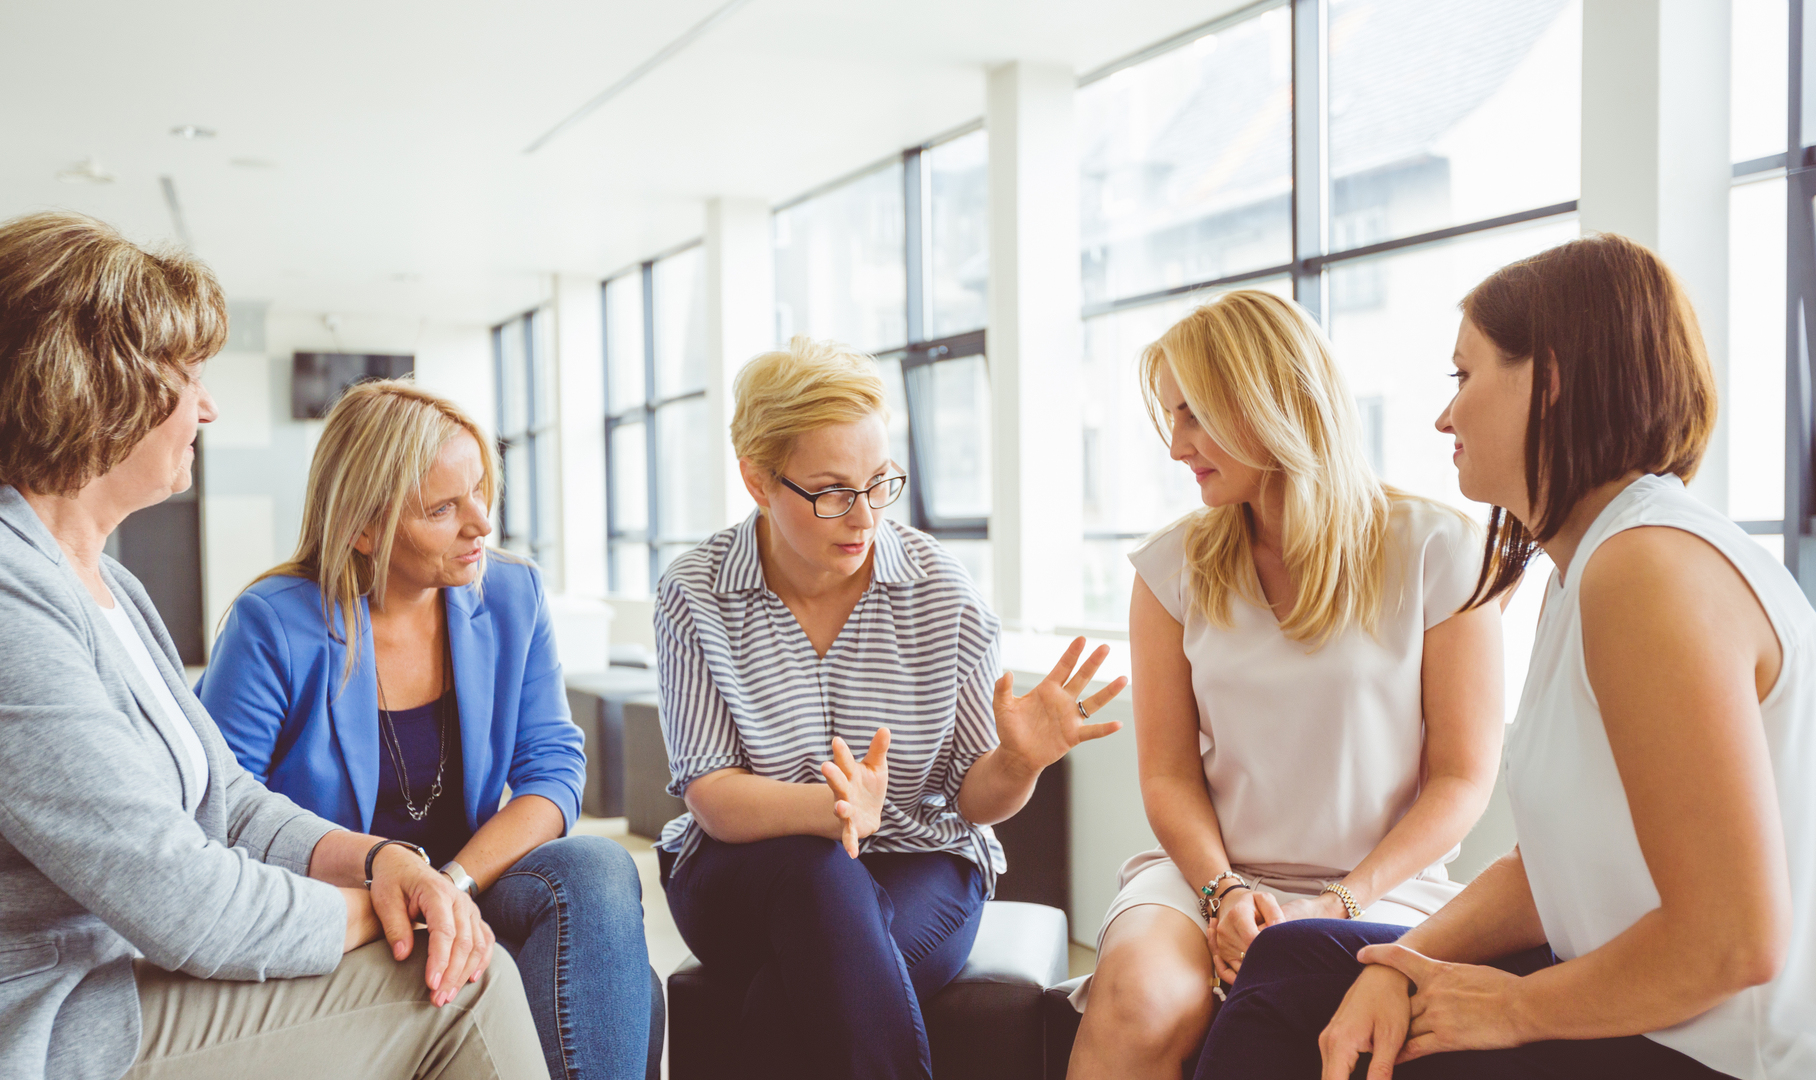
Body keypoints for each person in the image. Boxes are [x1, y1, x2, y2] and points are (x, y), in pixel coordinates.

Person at [0, 212, 542, 1080]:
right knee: (459, 986)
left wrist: (386, 861)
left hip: (100, 984)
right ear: (91, 385)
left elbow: (229, 804)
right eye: (187, 375)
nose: (206, 406)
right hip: (17, 1028)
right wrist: (397, 908)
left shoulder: (99, 581)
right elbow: (187, 904)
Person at [1192, 234, 1815, 1080]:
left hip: (1707, 1049)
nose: (1445, 416)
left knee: (1361, 1043)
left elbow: (1733, 942)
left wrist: (1512, 1010)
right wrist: (1399, 966)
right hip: (1636, 998)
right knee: (1296, 963)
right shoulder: (1586, 566)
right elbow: (1558, 866)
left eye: (1464, 375)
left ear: (1548, 379)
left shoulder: (1647, 570)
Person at [653, 336, 1126, 1080]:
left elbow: (974, 799)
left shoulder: (942, 591)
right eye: (833, 491)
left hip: (920, 859)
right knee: (819, 871)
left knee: (791, 998)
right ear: (756, 480)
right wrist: (833, 811)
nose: (863, 516)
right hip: (743, 869)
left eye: (880, 483)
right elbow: (712, 795)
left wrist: (1018, 762)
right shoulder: (695, 592)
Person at [1068, 290, 1507, 1076]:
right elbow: (1168, 773)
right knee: (1139, 998)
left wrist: (1335, 904)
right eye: (1170, 418)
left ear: (1268, 404)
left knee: (1319, 1012)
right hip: (1207, 877)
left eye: (1193, 415)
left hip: (1380, 888)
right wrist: (1222, 893)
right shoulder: (1168, 569)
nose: (1176, 446)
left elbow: (1464, 779)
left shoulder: (1441, 550)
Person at [198, 378, 661, 1080]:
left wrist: (449, 884)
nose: (480, 522)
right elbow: (221, 812)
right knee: (632, 999)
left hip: (469, 883)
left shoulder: (512, 594)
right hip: (346, 906)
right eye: (442, 509)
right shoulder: (274, 624)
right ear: (363, 527)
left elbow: (554, 766)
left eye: (480, 489)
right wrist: (394, 886)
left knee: (596, 868)